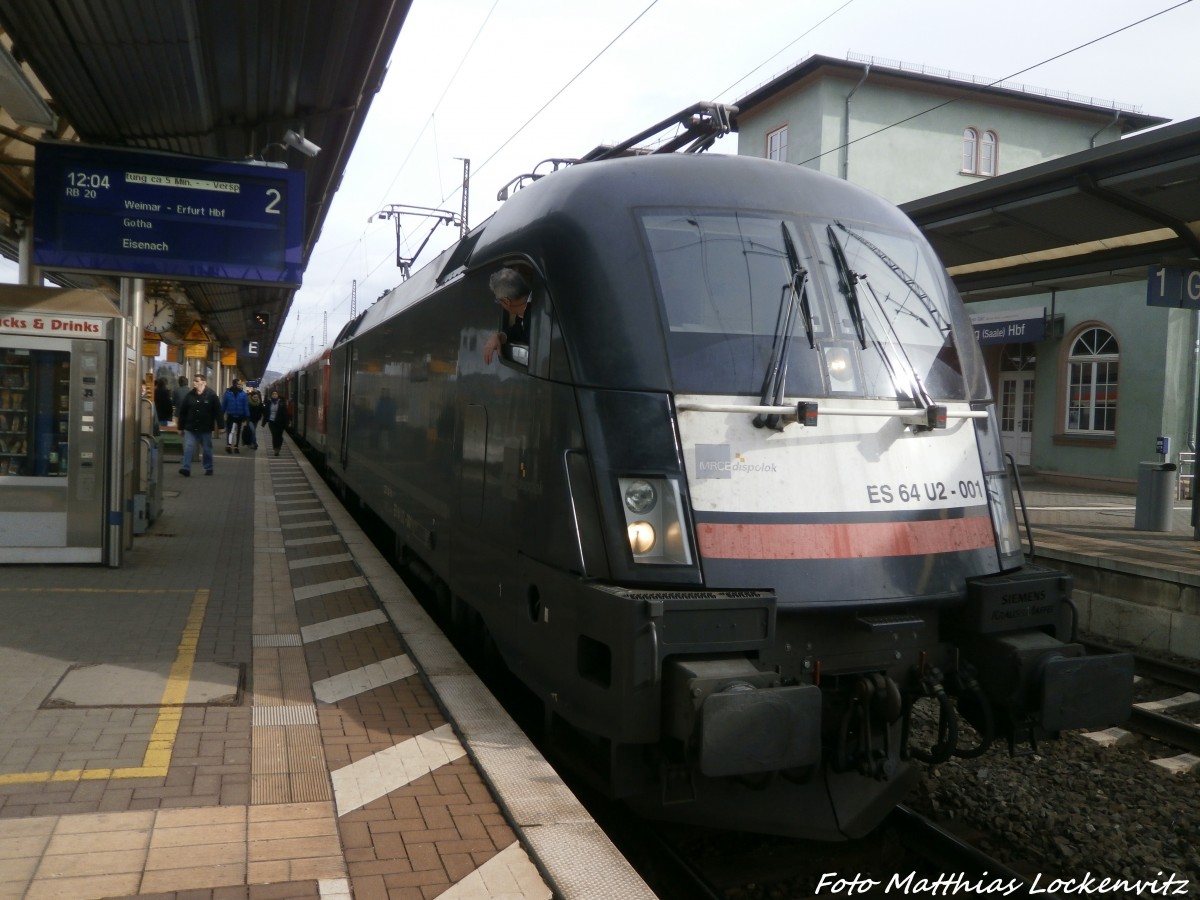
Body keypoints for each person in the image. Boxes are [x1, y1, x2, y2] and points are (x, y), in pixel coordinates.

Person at [482, 267, 532, 364]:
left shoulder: (537, 315)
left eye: (498, 301)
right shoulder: (524, 314)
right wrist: (499, 336)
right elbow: (517, 330)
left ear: (506, 301)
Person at [175, 374, 221, 476]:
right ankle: (185, 468)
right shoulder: (189, 395)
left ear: (203, 382)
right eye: (193, 381)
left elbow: (218, 411)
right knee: (188, 447)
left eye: (196, 381)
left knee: (207, 449)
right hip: (190, 427)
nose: (194, 383)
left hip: (205, 428)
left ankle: (209, 467)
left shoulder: (211, 395)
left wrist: (221, 426)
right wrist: (180, 427)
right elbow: (183, 412)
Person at [221, 378, 250, 453]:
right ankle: (229, 445)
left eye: (240, 384)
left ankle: (236, 446)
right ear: (234, 384)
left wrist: (247, 416)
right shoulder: (227, 393)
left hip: (240, 416)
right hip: (231, 415)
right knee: (230, 431)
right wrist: (221, 413)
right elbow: (224, 404)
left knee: (238, 432)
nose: (239, 385)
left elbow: (245, 405)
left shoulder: (243, 394)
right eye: (238, 384)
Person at [262, 388, 290, 456]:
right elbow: (266, 412)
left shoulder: (281, 402)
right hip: (272, 422)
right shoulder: (269, 402)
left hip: (280, 422)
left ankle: (279, 447)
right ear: (271, 395)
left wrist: (287, 422)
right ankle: (275, 449)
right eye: (273, 394)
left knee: (279, 436)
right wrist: (264, 421)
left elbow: (285, 413)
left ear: (278, 395)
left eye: (276, 394)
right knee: (274, 435)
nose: (274, 395)